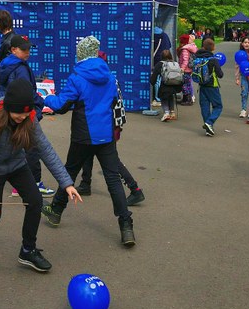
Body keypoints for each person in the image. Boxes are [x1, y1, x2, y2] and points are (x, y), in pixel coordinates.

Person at [0, 78, 80, 280]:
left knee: (35, 202)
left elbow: (46, 150)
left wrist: (67, 183)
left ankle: (28, 250)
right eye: (19, 113)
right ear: (9, 108)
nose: (22, 117)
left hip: (17, 165)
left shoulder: (29, 118)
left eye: (26, 113)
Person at [41, 35, 136, 247]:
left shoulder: (77, 77)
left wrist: (44, 97)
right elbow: (113, 101)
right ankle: (126, 226)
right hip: (105, 133)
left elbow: (61, 105)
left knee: (69, 172)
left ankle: (56, 211)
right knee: (113, 179)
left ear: (80, 54)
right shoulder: (109, 76)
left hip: (83, 135)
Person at [77, 50, 145, 206]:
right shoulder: (108, 77)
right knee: (87, 153)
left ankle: (135, 189)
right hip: (108, 125)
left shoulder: (101, 79)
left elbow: (111, 104)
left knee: (111, 160)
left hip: (103, 126)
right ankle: (85, 183)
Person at [0, 34, 55, 197]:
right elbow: (27, 91)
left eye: (29, 48)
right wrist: (39, 103)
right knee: (32, 147)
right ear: (13, 50)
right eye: (24, 49)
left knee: (18, 146)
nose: (28, 52)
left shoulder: (6, 65)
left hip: (10, 111)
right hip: (24, 111)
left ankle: (18, 185)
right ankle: (34, 183)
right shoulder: (20, 68)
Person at [195, 38, 224, 136]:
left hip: (202, 85)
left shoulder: (197, 58)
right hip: (212, 86)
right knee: (218, 106)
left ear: (203, 46)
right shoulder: (213, 60)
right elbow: (220, 75)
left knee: (205, 106)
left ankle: (208, 128)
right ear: (213, 48)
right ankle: (209, 123)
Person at [151, 49, 181, 122]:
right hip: (175, 84)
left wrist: (152, 82)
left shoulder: (160, 64)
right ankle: (172, 112)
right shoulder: (175, 63)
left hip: (165, 84)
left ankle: (166, 112)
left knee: (163, 98)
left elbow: (154, 75)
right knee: (171, 97)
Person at [234, 36, 249, 118]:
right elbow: (237, 66)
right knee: (244, 93)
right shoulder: (239, 54)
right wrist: (237, 78)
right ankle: (243, 110)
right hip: (243, 76)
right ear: (242, 44)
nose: (247, 44)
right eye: (245, 42)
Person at [177, 34, 197, 105]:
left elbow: (185, 60)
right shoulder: (190, 47)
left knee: (185, 85)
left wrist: (182, 68)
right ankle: (185, 99)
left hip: (186, 70)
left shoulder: (185, 49)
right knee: (187, 84)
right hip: (189, 69)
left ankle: (188, 100)